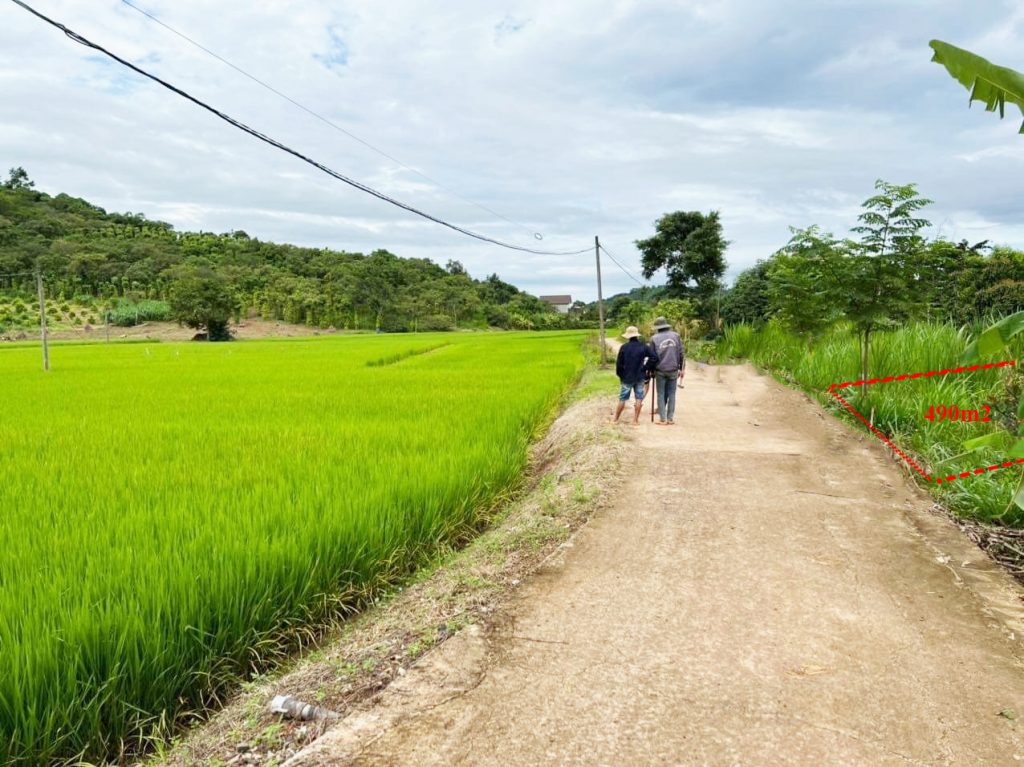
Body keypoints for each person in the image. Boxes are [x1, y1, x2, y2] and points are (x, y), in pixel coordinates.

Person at [614, 325, 658, 425]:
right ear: (637, 336)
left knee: (622, 398)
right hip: (640, 376)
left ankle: (615, 419)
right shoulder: (643, 346)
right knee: (638, 397)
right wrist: (645, 367)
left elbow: (619, 364)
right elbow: (654, 358)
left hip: (627, 377)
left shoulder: (624, 347)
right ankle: (635, 420)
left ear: (628, 336)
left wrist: (621, 375)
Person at [649, 316, 685, 425]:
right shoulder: (676, 336)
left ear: (658, 327)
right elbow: (681, 354)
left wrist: (651, 370)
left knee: (660, 394)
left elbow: (652, 357)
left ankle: (663, 419)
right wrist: (682, 369)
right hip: (673, 369)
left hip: (660, 370)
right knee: (672, 394)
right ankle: (670, 419)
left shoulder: (654, 338)